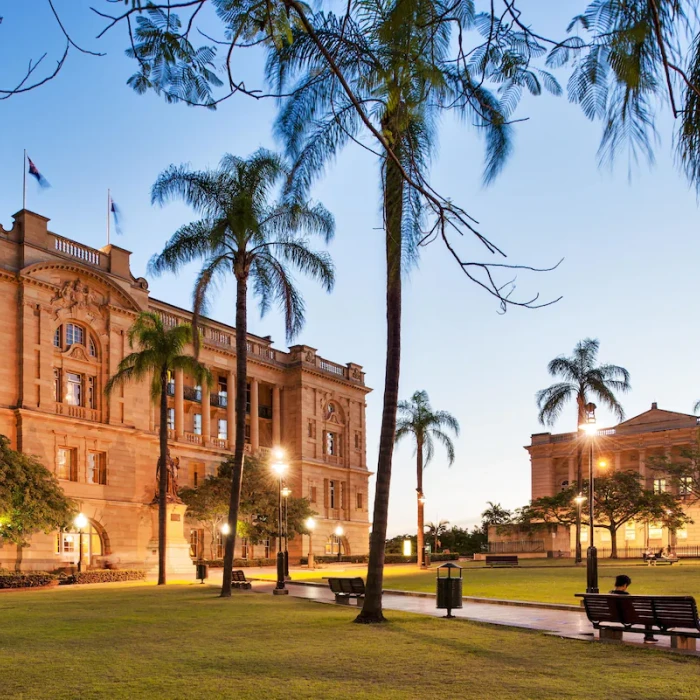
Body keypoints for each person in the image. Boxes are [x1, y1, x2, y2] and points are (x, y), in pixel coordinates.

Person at [609, 574, 658, 643]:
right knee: (648, 616)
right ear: (625, 585)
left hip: (614, 617)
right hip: (628, 618)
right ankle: (649, 637)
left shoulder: (610, 594)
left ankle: (649, 637)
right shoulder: (626, 595)